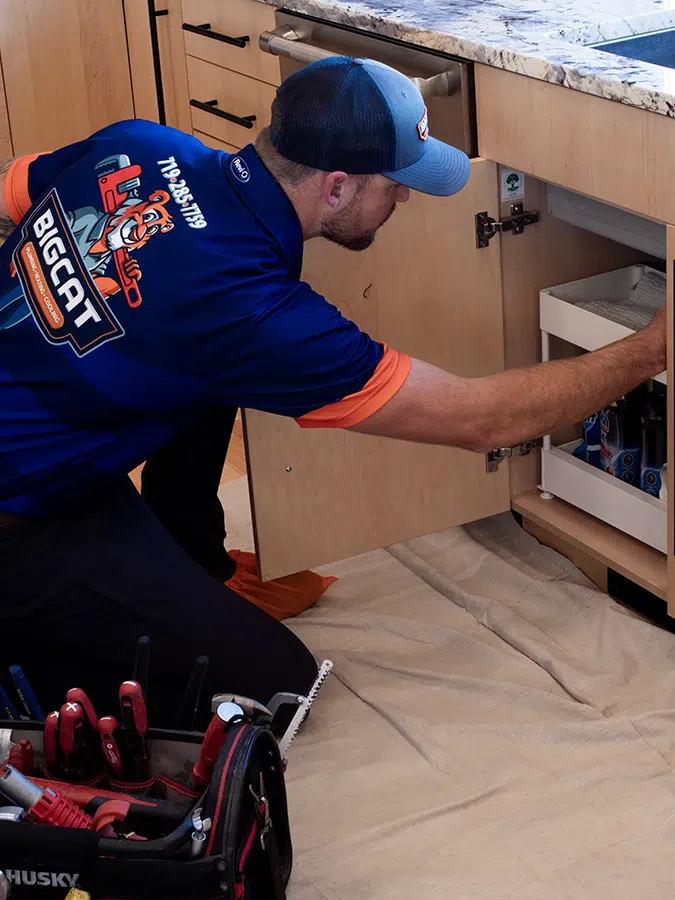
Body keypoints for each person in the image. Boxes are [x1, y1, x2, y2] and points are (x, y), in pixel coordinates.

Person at [0, 57, 665, 729]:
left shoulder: (143, 143)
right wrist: (651, 348)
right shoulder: (254, 311)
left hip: (52, 465)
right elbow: (484, 421)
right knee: (276, 691)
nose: (404, 200)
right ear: (338, 187)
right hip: (20, 516)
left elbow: (12, 190)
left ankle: (188, 555)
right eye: (395, 185)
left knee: (196, 365)